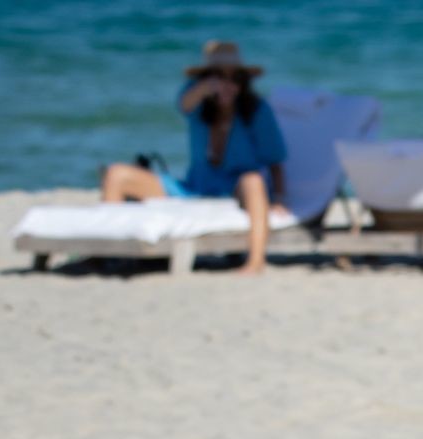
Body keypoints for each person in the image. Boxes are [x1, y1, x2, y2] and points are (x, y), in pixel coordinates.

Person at [97, 41, 288, 275]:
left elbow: (275, 159)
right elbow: (183, 103)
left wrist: (280, 198)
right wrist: (207, 88)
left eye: (234, 78)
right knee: (116, 174)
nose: (227, 84)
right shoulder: (198, 104)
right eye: (219, 77)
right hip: (194, 186)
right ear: (205, 80)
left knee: (254, 180)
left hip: (235, 188)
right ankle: (108, 254)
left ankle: (256, 261)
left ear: (243, 82)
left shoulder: (257, 110)